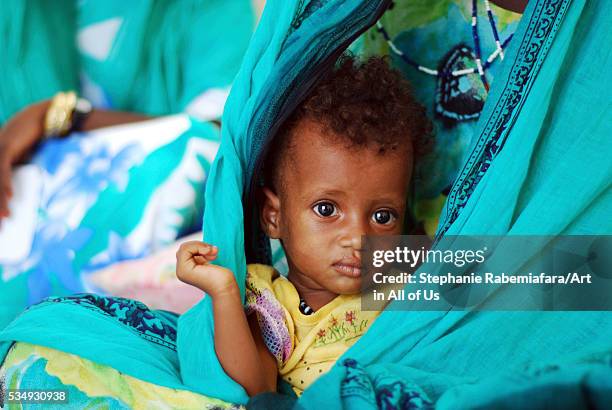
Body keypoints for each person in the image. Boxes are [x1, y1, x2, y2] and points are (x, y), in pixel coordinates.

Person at [175, 55, 432, 397]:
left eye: (383, 216)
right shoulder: (272, 307)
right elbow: (256, 389)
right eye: (327, 209)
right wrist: (223, 292)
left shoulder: (403, 270)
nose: (359, 238)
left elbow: (503, 280)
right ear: (273, 216)